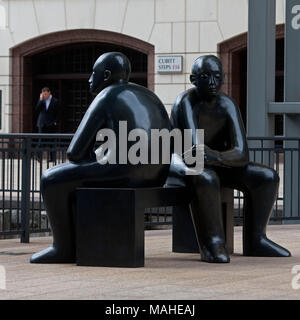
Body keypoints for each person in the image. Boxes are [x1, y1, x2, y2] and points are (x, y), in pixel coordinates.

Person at [30, 52, 171, 263]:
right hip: (158, 174)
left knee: (51, 179)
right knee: (84, 170)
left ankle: (63, 248)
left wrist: (93, 156)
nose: (89, 79)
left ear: (105, 75)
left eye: (93, 73)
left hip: (126, 172)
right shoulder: (148, 95)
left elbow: (75, 152)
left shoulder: (107, 96)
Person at [167, 55, 291, 263]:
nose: (213, 82)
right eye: (206, 77)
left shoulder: (227, 105)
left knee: (266, 177)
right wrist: (219, 156)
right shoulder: (185, 103)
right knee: (206, 178)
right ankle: (212, 243)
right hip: (181, 164)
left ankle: (256, 240)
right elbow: (193, 153)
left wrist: (216, 155)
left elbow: (242, 153)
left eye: (217, 76)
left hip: (215, 161)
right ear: (193, 79)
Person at [35, 87, 59, 161]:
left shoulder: (55, 101)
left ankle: (53, 158)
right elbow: (37, 109)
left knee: (52, 141)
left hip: (51, 124)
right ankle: (38, 156)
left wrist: (55, 121)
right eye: (43, 94)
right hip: (42, 123)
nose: (44, 95)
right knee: (41, 140)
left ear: (49, 92)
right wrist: (41, 100)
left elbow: (57, 113)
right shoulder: (42, 100)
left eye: (45, 94)